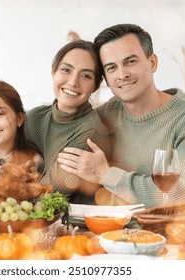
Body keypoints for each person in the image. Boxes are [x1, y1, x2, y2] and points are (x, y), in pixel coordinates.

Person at [57, 24, 185, 208]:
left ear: (152, 63)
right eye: (111, 68)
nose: (122, 74)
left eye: (130, 62)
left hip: (171, 235)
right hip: (104, 233)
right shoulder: (105, 115)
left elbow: (180, 195)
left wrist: (106, 174)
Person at [24, 39, 111, 205]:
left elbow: (48, 193)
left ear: (96, 85)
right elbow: (2, 156)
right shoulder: (35, 117)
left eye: (86, 75)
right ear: (53, 72)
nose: (73, 82)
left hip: (78, 226)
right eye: (66, 70)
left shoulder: (90, 131)